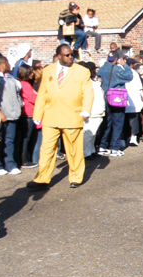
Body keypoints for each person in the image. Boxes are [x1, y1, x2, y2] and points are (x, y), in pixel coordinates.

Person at [26, 44, 94, 190]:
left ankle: (76, 176)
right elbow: (42, 93)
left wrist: (86, 110)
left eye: (71, 54)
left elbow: (88, 92)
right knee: (47, 149)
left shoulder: (82, 71)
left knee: (73, 149)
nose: (71, 57)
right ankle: (42, 179)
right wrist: (38, 113)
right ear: (59, 56)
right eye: (67, 55)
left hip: (72, 116)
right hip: (51, 116)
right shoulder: (48, 70)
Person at [96, 51, 133, 156]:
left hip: (104, 98)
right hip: (116, 98)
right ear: (116, 59)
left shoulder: (101, 68)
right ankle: (115, 148)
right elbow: (129, 76)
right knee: (117, 122)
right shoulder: (117, 69)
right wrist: (124, 65)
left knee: (106, 123)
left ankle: (103, 146)